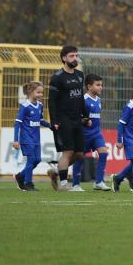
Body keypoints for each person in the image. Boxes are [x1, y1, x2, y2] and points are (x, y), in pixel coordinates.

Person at [47, 45, 89, 191]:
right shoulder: (57, 77)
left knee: (79, 153)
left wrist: (86, 115)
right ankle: (64, 185)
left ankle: (56, 171)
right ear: (64, 58)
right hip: (63, 119)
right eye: (71, 56)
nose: (75, 58)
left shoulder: (79, 75)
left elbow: (80, 97)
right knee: (68, 151)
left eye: (76, 55)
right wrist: (54, 121)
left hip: (77, 118)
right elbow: (51, 101)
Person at [70, 74, 110, 191]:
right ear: (89, 86)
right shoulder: (83, 100)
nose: (101, 87)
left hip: (96, 133)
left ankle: (99, 182)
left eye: (101, 85)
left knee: (104, 152)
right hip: (84, 134)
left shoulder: (99, 100)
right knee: (79, 157)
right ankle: (76, 184)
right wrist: (84, 121)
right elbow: (75, 118)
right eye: (98, 85)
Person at [11, 81, 51, 191]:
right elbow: (17, 123)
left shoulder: (40, 105)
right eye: (38, 92)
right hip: (26, 138)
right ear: (30, 91)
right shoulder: (25, 106)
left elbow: (41, 120)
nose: (40, 95)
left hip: (36, 138)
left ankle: (20, 176)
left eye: (42, 92)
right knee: (31, 159)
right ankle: (28, 183)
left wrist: (50, 126)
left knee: (37, 160)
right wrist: (16, 140)